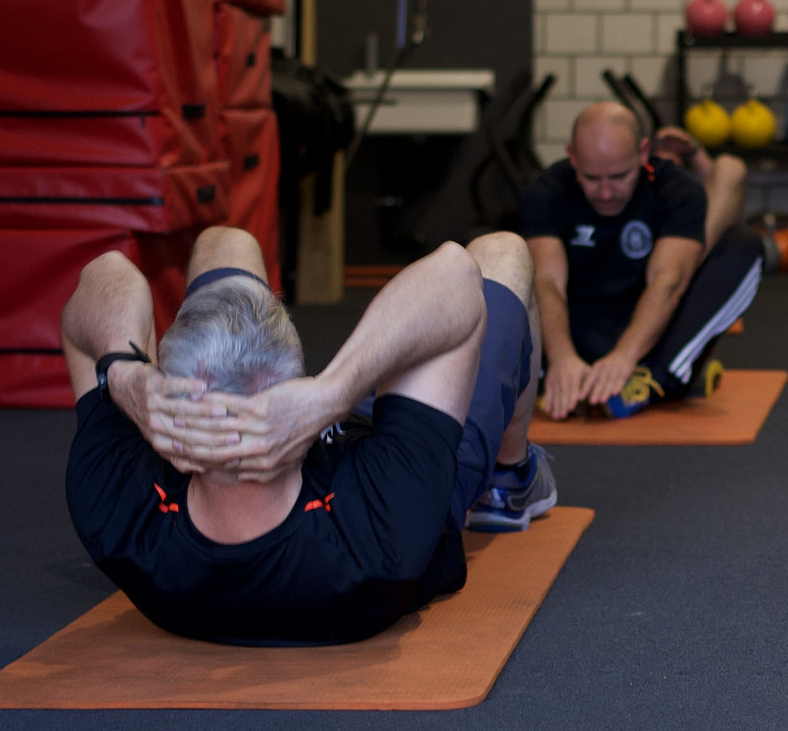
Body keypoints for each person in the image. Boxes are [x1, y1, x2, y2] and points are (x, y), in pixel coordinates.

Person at [60, 225, 555, 647]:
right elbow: (455, 273)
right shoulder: (381, 534)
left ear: (171, 404)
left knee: (222, 241)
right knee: (503, 253)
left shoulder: (119, 514)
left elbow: (105, 272)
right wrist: (331, 395)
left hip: (290, 430)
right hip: (388, 460)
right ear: (291, 386)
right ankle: (510, 479)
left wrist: (124, 375)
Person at [520, 101, 763, 420]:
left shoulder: (676, 189)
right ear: (573, 157)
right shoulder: (546, 191)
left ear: (644, 152)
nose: (606, 193)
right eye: (592, 178)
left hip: (651, 340)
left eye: (620, 176)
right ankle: (560, 378)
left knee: (743, 247)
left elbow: (668, 281)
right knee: (498, 256)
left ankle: (653, 379)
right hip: (577, 330)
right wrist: (562, 357)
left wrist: (625, 356)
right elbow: (547, 282)